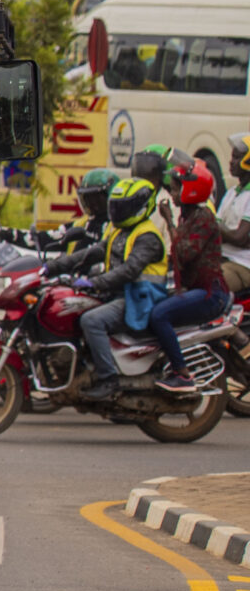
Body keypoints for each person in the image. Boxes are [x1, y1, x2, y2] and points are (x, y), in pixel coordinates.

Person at [67, 176, 169, 397]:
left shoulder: (147, 236)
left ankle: (108, 378)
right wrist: (50, 267)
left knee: (91, 320)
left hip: (140, 299)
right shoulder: (120, 232)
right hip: (120, 294)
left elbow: (129, 271)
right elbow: (88, 254)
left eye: (123, 207)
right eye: (115, 206)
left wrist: (94, 282)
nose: (117, 212)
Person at [147, 160, 230, 393]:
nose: (172, 194)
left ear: (190, 190)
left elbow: (184, 252)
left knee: (160, 315)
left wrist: (169, 221)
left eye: (175, 188)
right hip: (195, 290)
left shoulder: (202, 217)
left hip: (210, 294)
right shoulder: (188, 216)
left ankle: (182, 373)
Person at [212, 134, 250, 295]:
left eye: (236, 158)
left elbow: (239, 237)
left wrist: (219, 228)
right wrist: (225, 231)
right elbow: (214, 232)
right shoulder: (231, 193)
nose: (230, 162)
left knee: (213, 286)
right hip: (223, 258)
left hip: (242, 265)